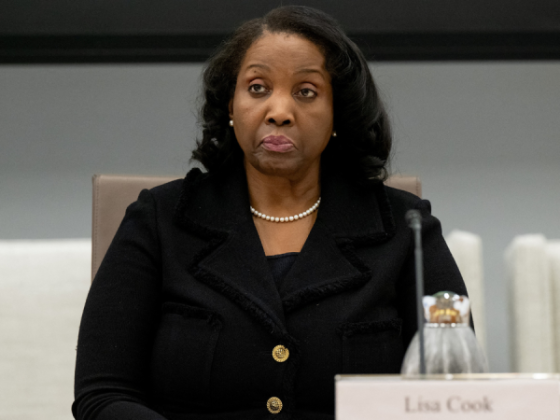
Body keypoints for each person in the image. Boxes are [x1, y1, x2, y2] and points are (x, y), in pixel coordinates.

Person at [73, 6, 468, 420]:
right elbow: (103, 395)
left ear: (338, 112)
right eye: (258, 88)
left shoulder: (406, 230)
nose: (279, 111)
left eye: (306, 92)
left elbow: (454, 394)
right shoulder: (160, 219)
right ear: (231, 104)